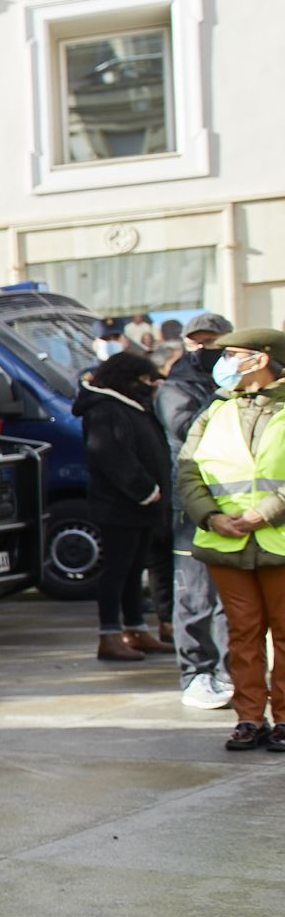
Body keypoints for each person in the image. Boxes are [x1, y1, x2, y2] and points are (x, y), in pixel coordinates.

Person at [178, 327, 285, 751]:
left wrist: (265, 513)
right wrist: (211, 516)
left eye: (233, 354)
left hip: (277, 541)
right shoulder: (215, 410)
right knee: (241, 635)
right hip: (228, 543)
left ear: (261, 359)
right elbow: (187, 471)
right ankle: (249, 719)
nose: (222, 364)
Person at [75, 350, 175, 665]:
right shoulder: (105, 409)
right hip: (119, 506)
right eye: (145, 380)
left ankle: (135, 627)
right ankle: (110, 633)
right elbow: (111, 455)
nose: (149, 386)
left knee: (134, 571)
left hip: (141, 508)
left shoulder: (130, 406)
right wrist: (144, 489)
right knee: (116, 571)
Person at [160, 313, 237, 711]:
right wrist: (223, 393)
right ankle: (196, 672)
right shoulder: (177, 387)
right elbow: (185, 429)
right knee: (194, 594)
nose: (205, 349)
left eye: (214, 341)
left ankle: (229, 671)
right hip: (191, 507)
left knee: (229, 597)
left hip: (234, 504)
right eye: (198, 342)